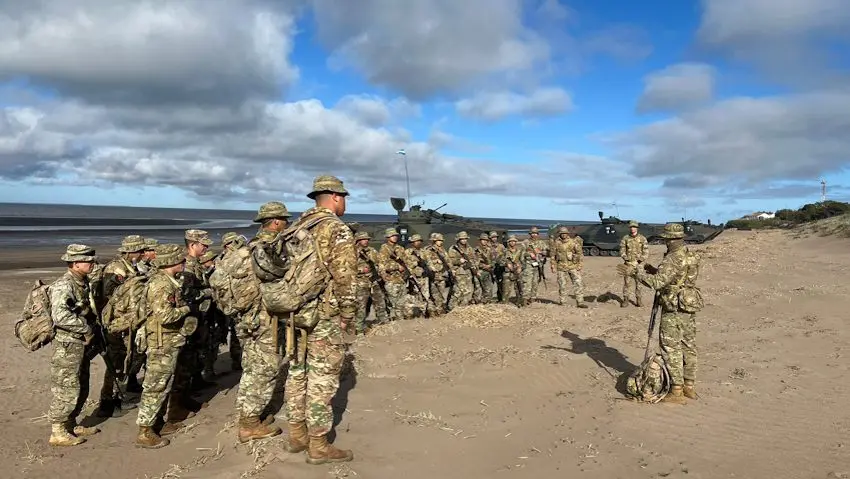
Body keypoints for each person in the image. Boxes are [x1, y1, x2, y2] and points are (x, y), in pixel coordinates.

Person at [282, 175, 356, 464]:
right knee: (322, 379)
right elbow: (345, 277)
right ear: (336, 198)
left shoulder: (296, 227)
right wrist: (348, 316)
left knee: (297, 373)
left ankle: (297, 435)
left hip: (294, 314)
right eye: (345, 198)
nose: (345, 203)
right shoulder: (336, 229)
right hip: (324, 315)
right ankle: (319, 445)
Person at [616, 223, 701, 404]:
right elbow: (680, 277)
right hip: (689, 305)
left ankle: (676, 390)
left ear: (671, 240)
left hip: (673, 307)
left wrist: (635, 274)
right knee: (689, 346)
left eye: (666, 239)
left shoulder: (672, 258)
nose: (665, 242)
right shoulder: (691, 254)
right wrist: (655, 270)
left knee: (671, 348)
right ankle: (689, 385)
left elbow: (657, 283)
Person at [135, 244, 198, 448]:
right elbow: (166, 316)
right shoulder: (162, 285)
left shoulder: (169, 282)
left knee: (165, 384)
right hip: (161, 343)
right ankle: (145, 431)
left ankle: (158, 423)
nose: (183, 262)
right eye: (180, 260)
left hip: (169, 341)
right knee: (155, 386)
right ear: (171, 262)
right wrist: (187, 309)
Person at [48, 244, 101, 446]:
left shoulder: (82, 282)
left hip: (80, 345)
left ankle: (71, 424)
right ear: (75, 263)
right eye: (87, 261)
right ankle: (58, 431)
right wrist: (85, 329)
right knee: (66, 388)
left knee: (81, 385)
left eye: (91, 260)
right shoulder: (64, 285)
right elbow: (60, 316)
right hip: (68, 345)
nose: (91, 264)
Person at [550, 227, 588, 308]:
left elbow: (580, 253)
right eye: (562, 233)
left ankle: (580, 302)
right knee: (562, 285)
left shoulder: (573, 242)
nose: (563, 235)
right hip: (561, 267)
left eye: (565, 233)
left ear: (567, 234)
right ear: (560, 234)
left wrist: (580, 264)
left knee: (578, 283)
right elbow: (552, 255)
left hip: (572, 266)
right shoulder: (556, 243)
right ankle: (563, 302)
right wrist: (553, 265)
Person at [619, 220, 649, 307]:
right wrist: (626, 258)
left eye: (634, 227)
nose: (632, 229)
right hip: (628, 264)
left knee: (639, 283)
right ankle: (625, 300)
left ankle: (639, 300)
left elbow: (646, 251)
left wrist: (640, 260)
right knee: (627, 283)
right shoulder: (625, 238)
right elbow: (622, 250)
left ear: (637, 228)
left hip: (639, 265)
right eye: (631, 227)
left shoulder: (642, 238)